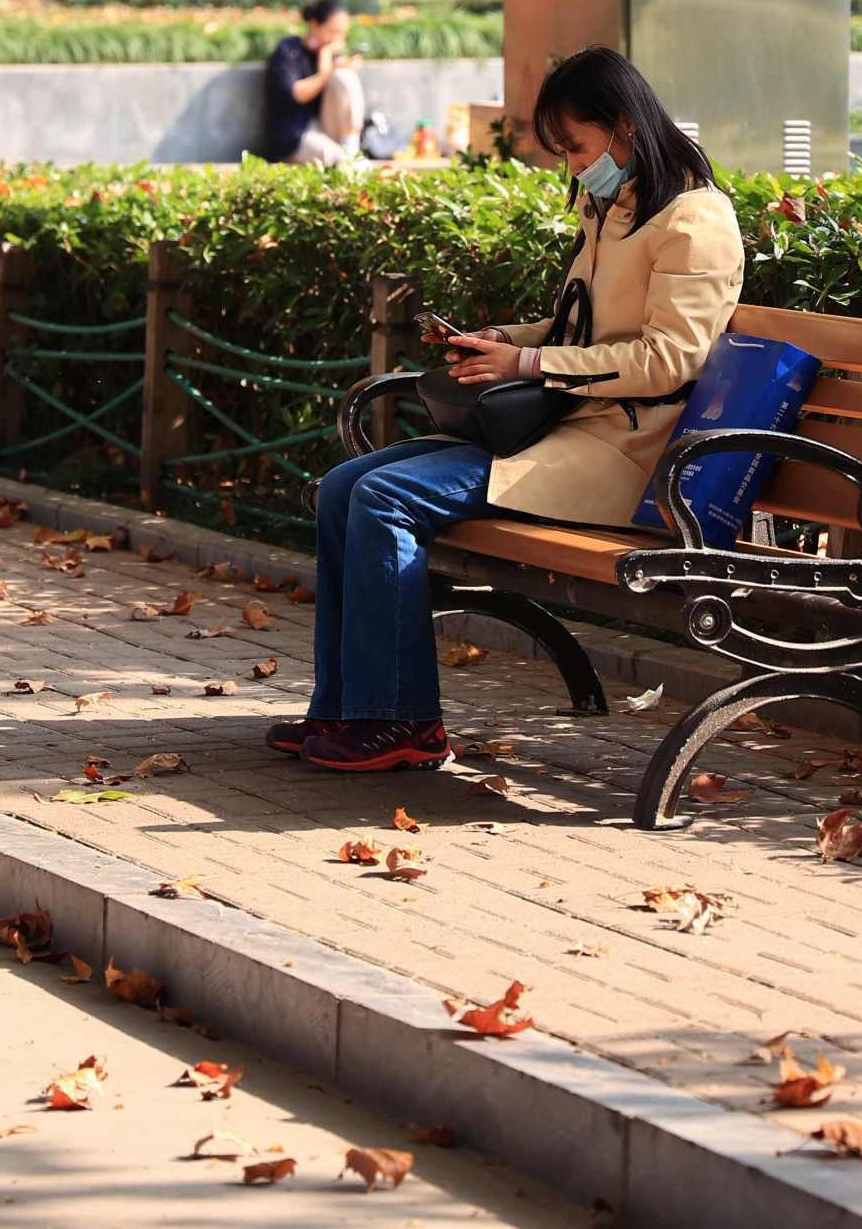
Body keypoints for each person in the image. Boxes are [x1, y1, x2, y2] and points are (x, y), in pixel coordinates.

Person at [265, 45, 745, 773]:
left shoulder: (694, 220)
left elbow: (670, 359)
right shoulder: (614, 207)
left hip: (625, 454)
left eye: (576, 147)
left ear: (623, 125)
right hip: (567, 429)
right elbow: (579, 329)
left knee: (386, 498)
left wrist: (527, 364)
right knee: (342, 488)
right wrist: (503, 340)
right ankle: (347, 705)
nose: (573, 167)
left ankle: (402, 721)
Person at [263, 0, 365, 166]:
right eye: (333, 31)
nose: (338, 39)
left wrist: (343, 67)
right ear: (314, 25)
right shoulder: (289, 51)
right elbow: (298, 95)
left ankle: (352, 149)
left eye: (342, 34)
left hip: (326, 129)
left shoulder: (333, 55)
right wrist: (325, 66)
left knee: (345, 77)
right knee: (340, 161)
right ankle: (350, 162)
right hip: (294, 136)